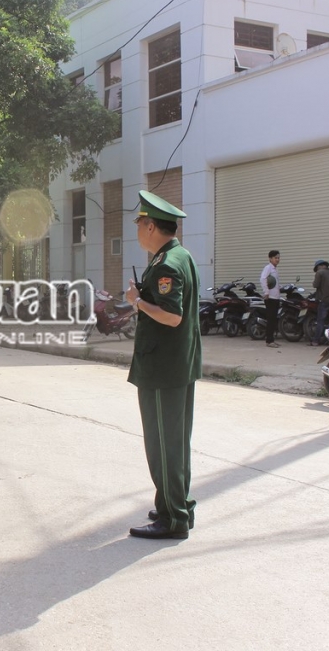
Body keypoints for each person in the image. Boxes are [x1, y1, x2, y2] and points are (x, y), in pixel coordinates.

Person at [123, 190, 202, 540]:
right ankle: (175, 504)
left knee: (163, 444)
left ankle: (173, 519)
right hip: (176, 365)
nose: (138, 229)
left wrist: (137, 301)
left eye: (140, 223)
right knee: (175, 441)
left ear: (152, 226)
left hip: (163, 368)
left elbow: (171, 316)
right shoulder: (178, 255)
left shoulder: (168, 264)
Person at [311, 259, 329, 346]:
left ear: (319, 266)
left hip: (324, 300)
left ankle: (316, 341)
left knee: (320, 321)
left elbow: (315, 285)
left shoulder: (320, 273)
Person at [260, 250, 281, 348]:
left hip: (275, 297)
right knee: (271, 319)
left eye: (278, 258)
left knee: (274, 319)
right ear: (270, 258)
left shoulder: (275, 269)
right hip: (270, 298)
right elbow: (263, 279)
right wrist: (266, 292)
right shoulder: (268, 268)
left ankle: (271, 339)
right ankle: (269, 340)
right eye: (275, 258)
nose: (277, 259)